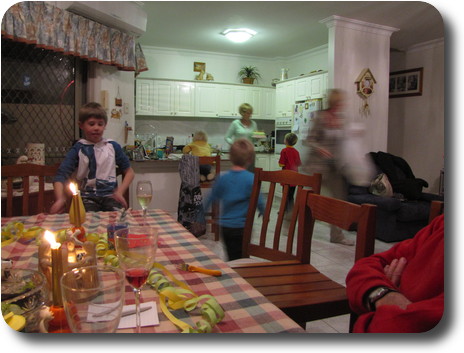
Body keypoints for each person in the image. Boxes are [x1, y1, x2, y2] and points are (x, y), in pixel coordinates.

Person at [346, 214, 444, 333]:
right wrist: (383, 294)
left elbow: (396, 326)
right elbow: (364, 266)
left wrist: (382, 306)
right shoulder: (441, 224)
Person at [50, 102, 134, 213]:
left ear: (105, 125)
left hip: (111, 197)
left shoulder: (112, 146)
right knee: (87, 220)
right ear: (81, 125)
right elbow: (61, 175)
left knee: (118, 219)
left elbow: (129, 172)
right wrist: (60, 199)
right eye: (91, 124)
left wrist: (120, 192)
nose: (96, 128)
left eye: (100, 124)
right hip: (87, 198)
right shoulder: (78, 148)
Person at [303, 89, 354, 246]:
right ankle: (289, 218)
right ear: (333, 103)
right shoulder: (320, 117)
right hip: (317, 166)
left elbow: (345, 141)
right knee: (306, 199)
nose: (342, 105)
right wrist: (320, 148)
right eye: (339, 102)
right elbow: (309, 140)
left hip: (334, 167)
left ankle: (336, 235)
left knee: (339, 199)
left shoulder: (341, 119)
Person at [203, 138, 265, 261]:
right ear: (250, 159)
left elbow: (210, 198)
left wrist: (202, 215)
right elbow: (259, 201)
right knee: (242, 256)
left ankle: (233, 268)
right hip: (242, 227)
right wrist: (264, 213)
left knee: (232, 254)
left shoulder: (222, 178)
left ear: (230, 158)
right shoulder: (251, 179)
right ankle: (239, 274)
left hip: (225, 227)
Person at [225, 103, 258, 172]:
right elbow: (227, 137)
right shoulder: (235, 123)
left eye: (251, 113)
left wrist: (258, 137)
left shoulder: (254, 124)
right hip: (238, 153)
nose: (250, 115)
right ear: (242, 113)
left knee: (250, 172)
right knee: (238, 172)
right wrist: (235, 145)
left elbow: (254, 140)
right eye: (248, 113)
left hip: (250, 153)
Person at [278, 132, 301, 213]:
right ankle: (291, 211)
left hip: (286, 177)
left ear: (286, 141)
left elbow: (281, 164)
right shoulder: (296, 152)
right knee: (291, 195)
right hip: (294, 177)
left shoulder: (284, 151)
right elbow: (298, 164)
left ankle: (284, 210)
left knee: (285, 195)